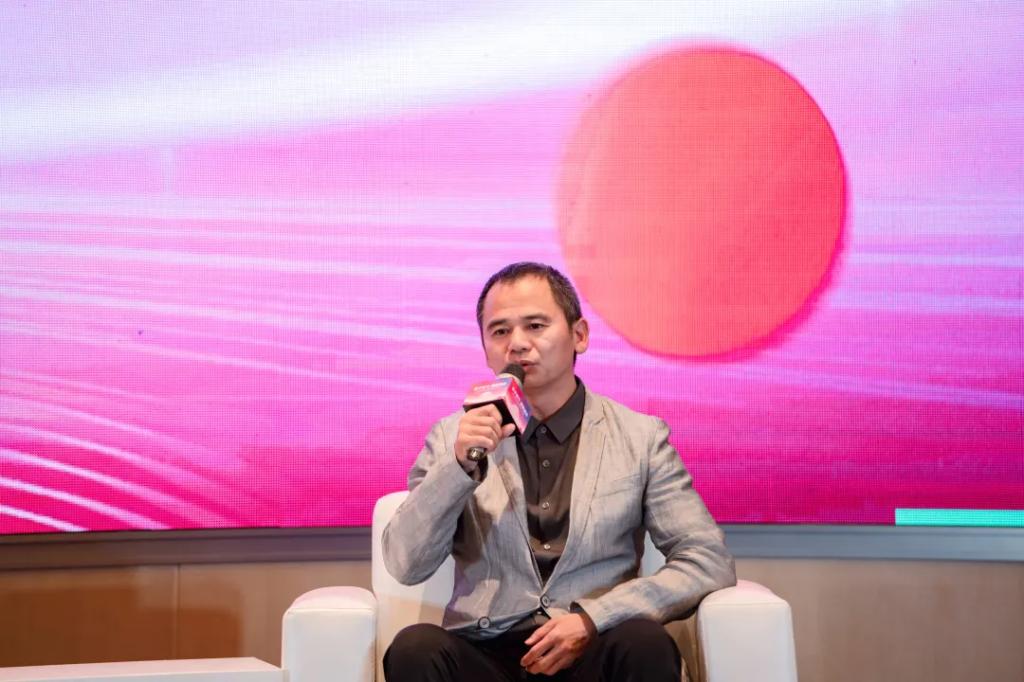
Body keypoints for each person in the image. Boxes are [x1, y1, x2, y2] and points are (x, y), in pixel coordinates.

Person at [382, 262, 735, 681]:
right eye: (500, 331)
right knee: (415, 648)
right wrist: (458, 466)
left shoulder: (640, 438)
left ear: (579, 335)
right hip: (487, 653)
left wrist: (595, 617)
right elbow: (406, 564)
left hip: (594, 646)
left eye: (535, 326)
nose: (517, 344)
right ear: (485, 349)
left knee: (644, 641)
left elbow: (706, 560)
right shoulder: (452, 437)